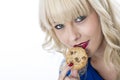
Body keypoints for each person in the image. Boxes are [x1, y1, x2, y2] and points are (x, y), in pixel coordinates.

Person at [39, 0, 120, 80]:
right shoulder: (70, 74)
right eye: (59, 26)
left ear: (100, 10)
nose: (72, 36)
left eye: (79, 19)